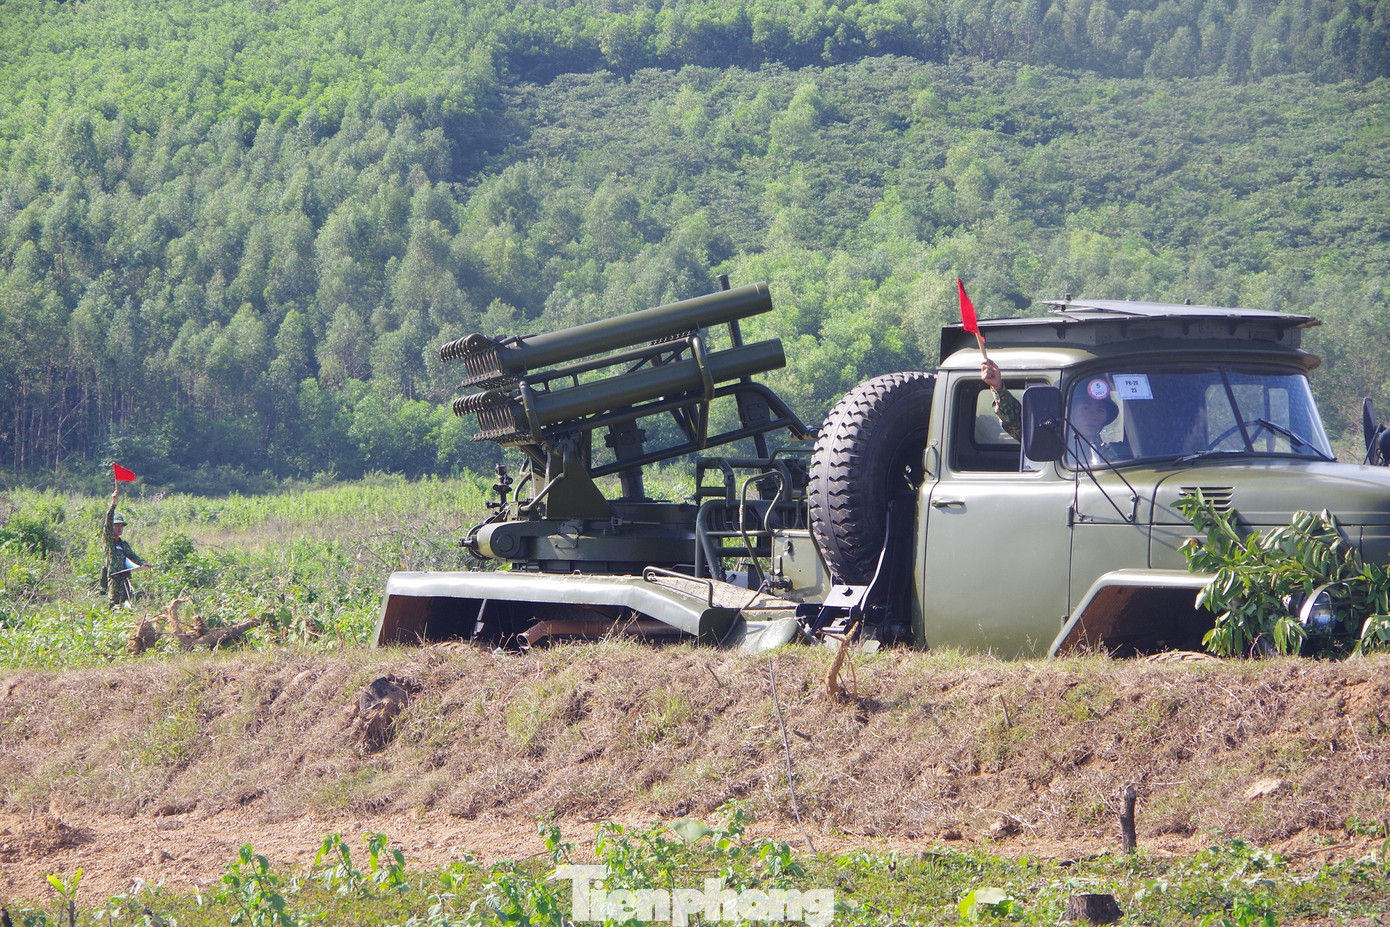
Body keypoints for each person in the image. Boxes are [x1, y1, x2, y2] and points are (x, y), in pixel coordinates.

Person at [103, 488, 152, 606]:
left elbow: (132, 556)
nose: (120, 528)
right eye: (117, 526)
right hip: (114, 579)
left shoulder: (123, 544)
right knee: (114, 605)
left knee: (128, 603)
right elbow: (107, 524)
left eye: (121, 526)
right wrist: (113, 504)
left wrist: (142, 563)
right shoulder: (109, 542)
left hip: (124, 578)